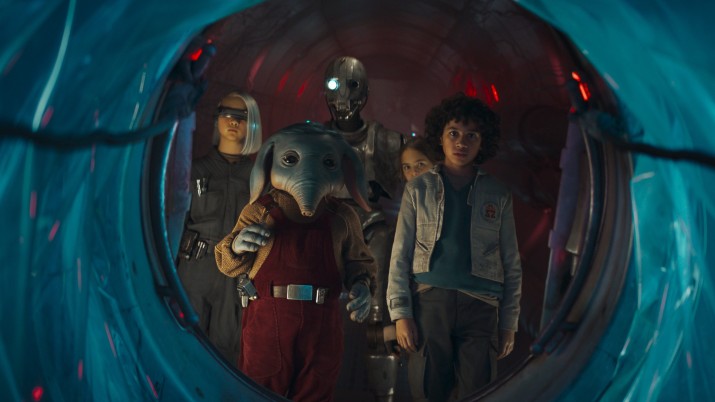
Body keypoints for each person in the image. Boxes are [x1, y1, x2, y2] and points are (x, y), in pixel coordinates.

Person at [214, 122, 374, 401]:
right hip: (268, 321)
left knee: (316, 391)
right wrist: (237, 245)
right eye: (290, 159)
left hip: (322, 323)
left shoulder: (343, 217)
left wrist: (363, 285)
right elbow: (227, 264)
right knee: (259, 391)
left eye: (327, 162)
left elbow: (359, 262)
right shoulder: (259, 211)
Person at [386, 92, 522, 401]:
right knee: (428, 388)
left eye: (472, 135)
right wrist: (401, 314)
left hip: (482, 307)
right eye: (454, 133)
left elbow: (511, 262)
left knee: (478, 390)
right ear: (440, 136)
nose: (461, 142)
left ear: (483, 141)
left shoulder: (498, 194)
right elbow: (400, 255)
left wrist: (509, 324)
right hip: (429, 303)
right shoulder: (418, 189)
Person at [324, 56, 405, 401]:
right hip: (326, 225)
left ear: (365, 93)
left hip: (370, 225)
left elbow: (408, 182)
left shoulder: (384, 140)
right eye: (335, 85)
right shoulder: (315, 139)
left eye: (351, 85)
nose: (343, 95)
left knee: (378, 315)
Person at [176, 90, 262, 364]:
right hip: (196, 267)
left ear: (252, 123)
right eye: (227, 114)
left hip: (237, 272)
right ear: (216, 119)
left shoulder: (258, 178)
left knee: (229, 349)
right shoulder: (195, 171)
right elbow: (176, 221)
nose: (233, 122)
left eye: (241, 116)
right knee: (187, 342)